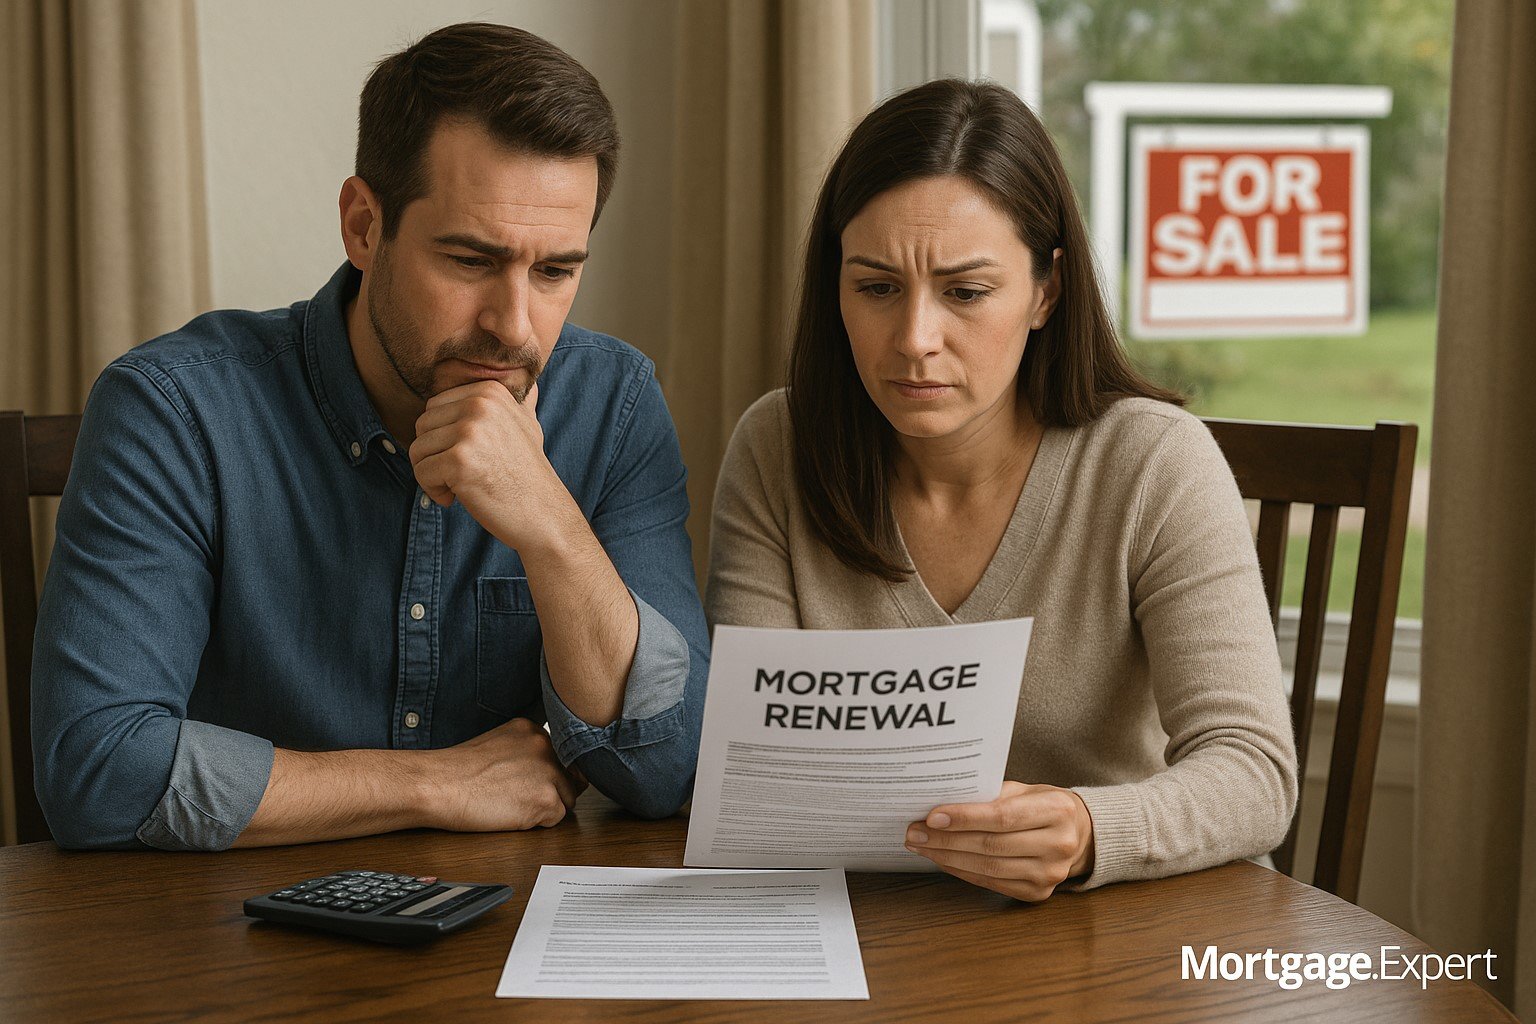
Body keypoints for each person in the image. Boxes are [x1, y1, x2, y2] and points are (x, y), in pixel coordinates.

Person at [32, 23, 707, 850]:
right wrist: (431, 783)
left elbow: (667, 770)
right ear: (362, 226)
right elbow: (97, 773)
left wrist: (550, 525)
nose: (514, 326)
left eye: (556, 271)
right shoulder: (172, 412)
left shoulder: (618, 406)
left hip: (515, 943)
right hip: (226, 948)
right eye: (467, 260)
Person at [706, 79, 1297, 901]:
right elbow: (757, 773)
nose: (914, 340)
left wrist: (1090, 831)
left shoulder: (1154, 462)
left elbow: (1255, 774)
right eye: (875, 288)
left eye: (966, 292)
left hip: (1135, 934)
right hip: (875, 932)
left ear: (1046, 291)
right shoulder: (778, 447)